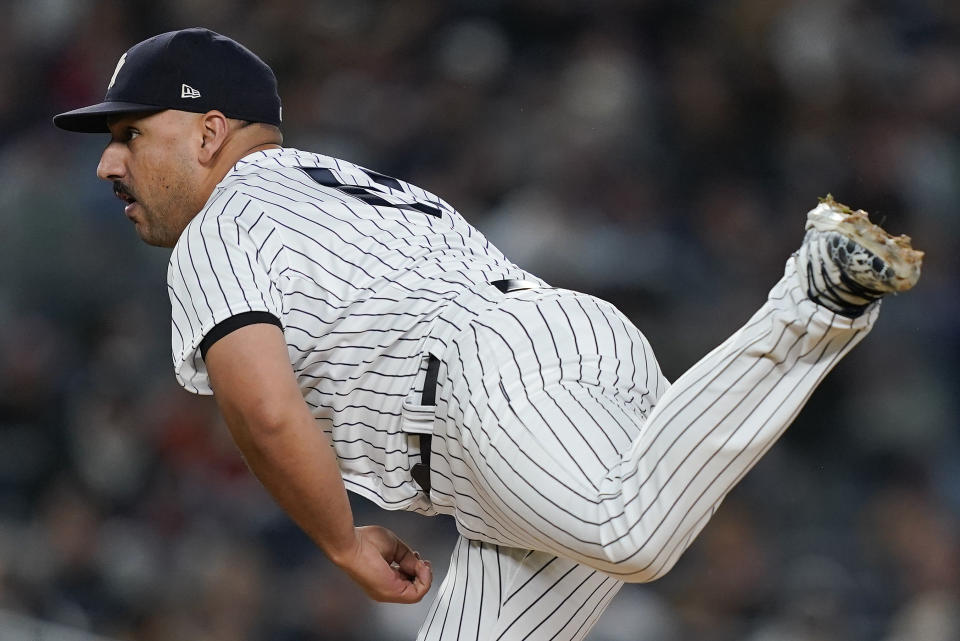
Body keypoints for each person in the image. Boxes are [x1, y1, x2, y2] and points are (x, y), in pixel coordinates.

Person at [54, 28, 922, 641]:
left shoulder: (222, 222)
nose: (108, 162)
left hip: (486, 383)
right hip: (542, 373)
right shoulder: (337, 181)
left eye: (132, 133)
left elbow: (266, 409)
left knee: (633, 532)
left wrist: (341, 540)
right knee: (631, 520)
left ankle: (816, 298)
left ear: (210, 133)